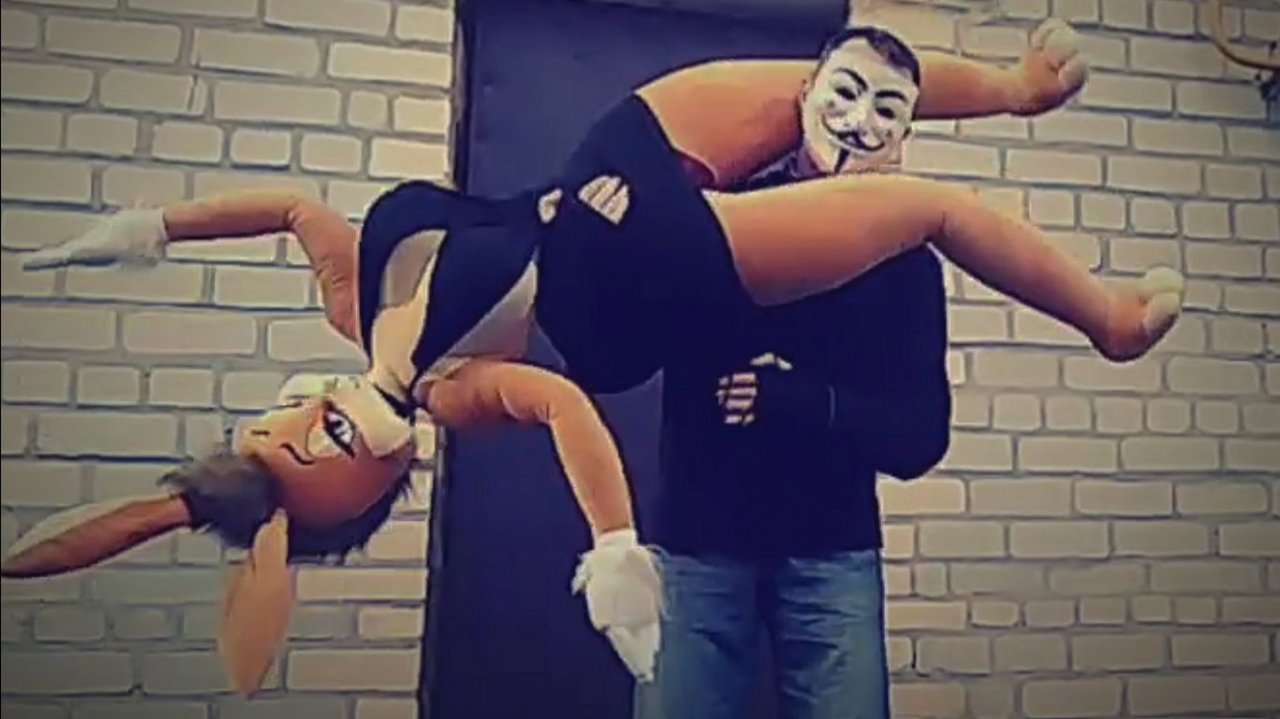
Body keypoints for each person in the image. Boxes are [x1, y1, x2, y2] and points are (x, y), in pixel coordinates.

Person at [4, 20, 1184, 696]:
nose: (316, 427)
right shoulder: (458, 392)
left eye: (281, 434)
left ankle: (1019, 90)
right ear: (367, 486)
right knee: (923, 207)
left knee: (817, 86)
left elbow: (290, 209)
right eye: (325, 456)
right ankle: (1109, 321)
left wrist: (146, 230)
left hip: (606, 161)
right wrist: (615, 550)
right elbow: (565, 411)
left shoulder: (352, 299)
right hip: (659, 262)